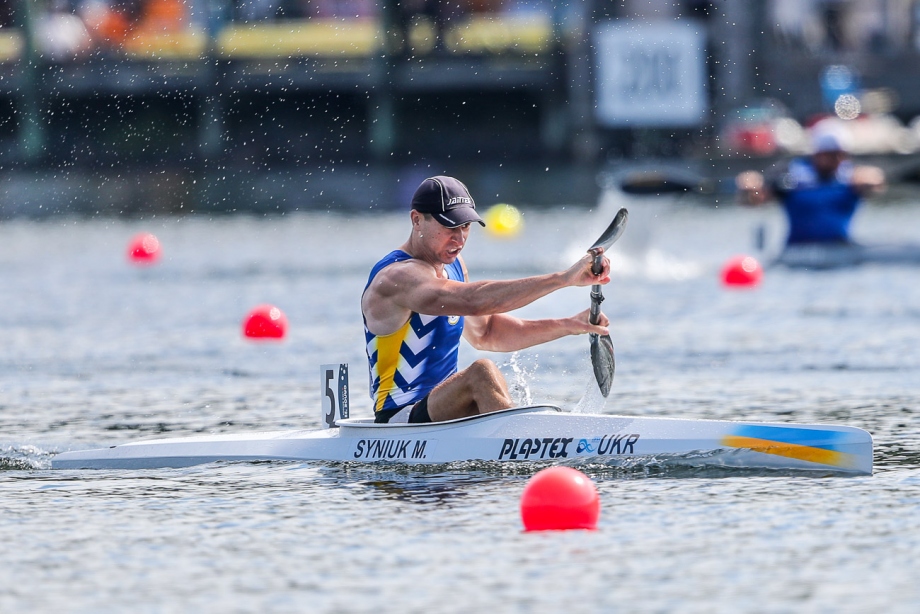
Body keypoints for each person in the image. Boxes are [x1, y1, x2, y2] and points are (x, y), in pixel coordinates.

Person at [361, 175, 612, 424]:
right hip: (399, 419)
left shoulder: (454, 265)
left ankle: (527, 442)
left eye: (465, 227)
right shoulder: (396, 277)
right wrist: (563, 279)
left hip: (442, 413)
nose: (459, 240)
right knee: (482, 373)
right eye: (450, 227)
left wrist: (569, 325)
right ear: (417, 220)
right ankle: (525, 449)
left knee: (490, 379)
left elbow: (487, 332)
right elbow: (473, 301)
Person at [735, 130, 885, 246]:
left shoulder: (851, 174)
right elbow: (755, 198)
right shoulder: (789, 174)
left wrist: (871, 181)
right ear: (817, 154)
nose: (838, 160)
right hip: (797, 251)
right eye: (832, 155)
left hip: (841, 247)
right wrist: (750, 188)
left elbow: (875, 178)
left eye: (841, 155)